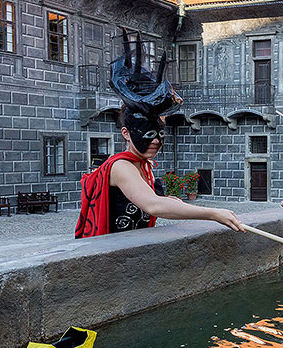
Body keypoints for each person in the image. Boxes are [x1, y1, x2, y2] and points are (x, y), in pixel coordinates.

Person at [75, 30, 247, 238]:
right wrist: (212, 213)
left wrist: (172, 201)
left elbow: (156, 201)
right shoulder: (121, 167)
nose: (156, 140)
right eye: (148, 134)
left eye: (160, 133)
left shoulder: (145, 166)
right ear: (126, 133)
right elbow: (153, 205)